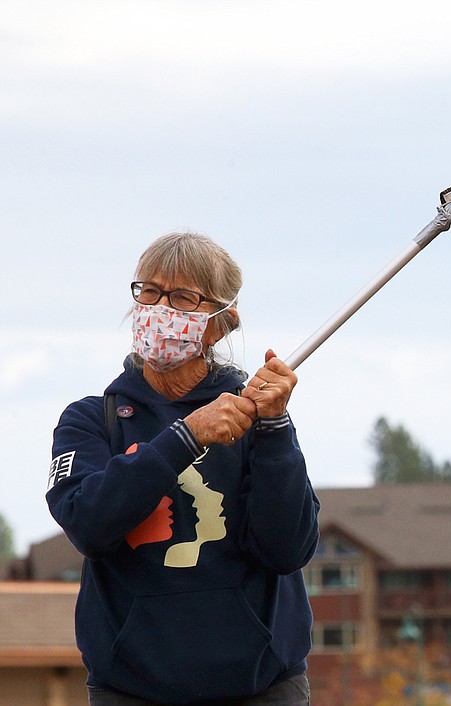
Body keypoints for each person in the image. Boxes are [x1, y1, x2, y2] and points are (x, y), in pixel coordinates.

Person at [46, 231, 319, 705]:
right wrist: (184, 438)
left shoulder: (256, 420)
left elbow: (286, 549)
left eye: (182, 297)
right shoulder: (92, 420)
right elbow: (88, 525)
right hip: (130, 689)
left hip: (262, 687)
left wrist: (275, 426)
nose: (160, 308)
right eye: (148, 291)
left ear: (221, 323)